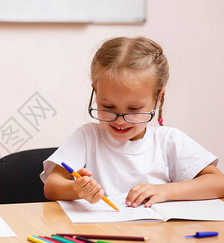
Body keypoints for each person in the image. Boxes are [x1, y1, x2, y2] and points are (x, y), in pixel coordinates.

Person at [41, 37, 224, 208]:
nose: (120, 119)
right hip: (97, 235)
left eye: (134, 109)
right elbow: (51, 186)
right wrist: (76, 189)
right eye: (108, 106)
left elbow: (218, 183)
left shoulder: (168, 140)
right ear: (95, 93)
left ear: (158, 98)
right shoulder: (87, 137)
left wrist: (164, 191)